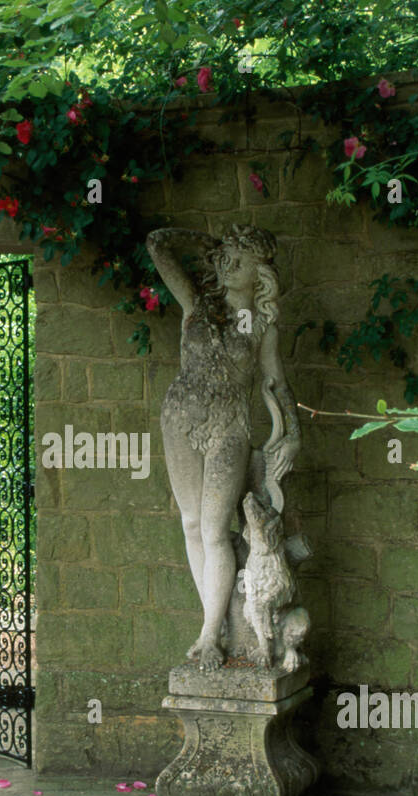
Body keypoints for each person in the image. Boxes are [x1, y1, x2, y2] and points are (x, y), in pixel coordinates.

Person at [147, 224, 300, 669]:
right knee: (192, 524)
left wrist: (292, 433)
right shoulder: (196, 306)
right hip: (179, 418)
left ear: (261, 276)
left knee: (215, 530)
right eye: (225, 259)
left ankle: (210, 635)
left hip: (228, 429)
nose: (228, 267)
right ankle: (212, 625)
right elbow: (157, 245)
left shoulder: (262, 328)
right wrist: (206, 241)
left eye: (240, 262)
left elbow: (276, 384)